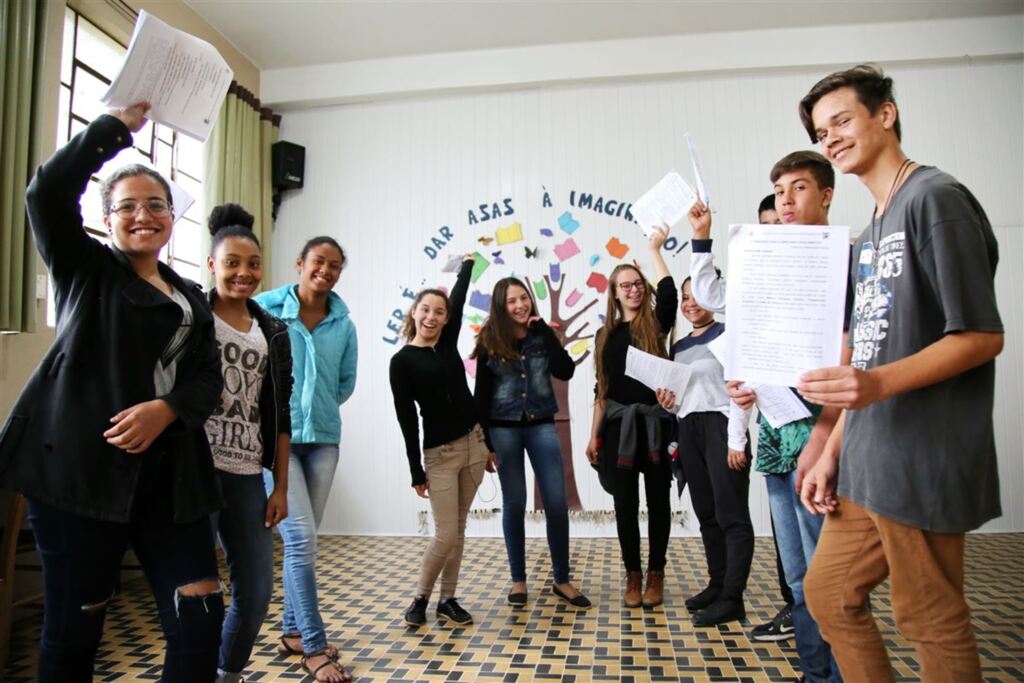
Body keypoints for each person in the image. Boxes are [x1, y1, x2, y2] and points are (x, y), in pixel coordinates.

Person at [0, 103, 224, 681]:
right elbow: (44, 195)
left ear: (173, 218)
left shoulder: (189, 296)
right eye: (127, 206)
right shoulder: (86, 270)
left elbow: (207, 380)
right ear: (107, 219)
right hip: (81, 479)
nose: (142, 215)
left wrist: (166, 410)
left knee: (199, 619)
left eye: (156, 205)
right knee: (76, 632)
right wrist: (113, 131)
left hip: (172, 483)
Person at [797, 64, 1003, 683]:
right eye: (820, 131)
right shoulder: (871, 231)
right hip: (867, 457)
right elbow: (865, 356)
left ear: (884, 113)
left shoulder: (934, 199)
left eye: (841, 120)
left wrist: (877, 387)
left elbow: (981, 336)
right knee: (828, 594)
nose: (830, 138)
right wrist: (832, 447)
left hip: (922, 452)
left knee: (929, 618)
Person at [688, 150, 846, 682]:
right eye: (779, 192)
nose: (785, 201)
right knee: (798, 576)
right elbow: (713, 297)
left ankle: (840, 673)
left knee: (830, 577)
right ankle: (815, 672)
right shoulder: (761, 269)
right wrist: (703, 237)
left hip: (823, 437)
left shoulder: (841, 261)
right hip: (777, 437)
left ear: (825, 194)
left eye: (797, 189)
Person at [254, 236, 358, 683]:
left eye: (335, 265)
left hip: (324, 442)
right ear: (300, 263)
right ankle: (314, 648)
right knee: (301, 541)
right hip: (275, 440)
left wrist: (318, 411)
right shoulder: (266, 308)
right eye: (319, 261)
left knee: (304, 540)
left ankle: (293, 632)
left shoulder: (343, 322)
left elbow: (345, 382)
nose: (326, 271)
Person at [204, 204, 294, 683]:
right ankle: (194, 666)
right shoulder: (193, 316)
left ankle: (227, 670)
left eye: (253, 264)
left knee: (257, 590)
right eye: (232, 263)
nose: (244, 273)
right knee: (199, 591)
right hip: (195, 472)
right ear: (212, 265)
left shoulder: (273, 333)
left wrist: (278, 487)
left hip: (245, 477)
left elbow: (280, 419)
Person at [472, 277, 591, 609]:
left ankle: (562, 580)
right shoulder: (489, 340)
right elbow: (480, 394)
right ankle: (519, 580)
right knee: (514, 504)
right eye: (511, 301)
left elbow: (565, 370)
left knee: (556, 502)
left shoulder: (542, 335)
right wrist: (484, 443)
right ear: (501, 305)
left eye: (523, 298)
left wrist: (547, 336)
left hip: (541, 424)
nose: (520, 305)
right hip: (503, 428)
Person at [389, 256, 495, 627]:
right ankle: (420, 599)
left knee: (459, 529)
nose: (432, 317)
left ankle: (448, 599)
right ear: (414, 314)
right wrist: (416, 470)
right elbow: (406, 420)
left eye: (439, 312)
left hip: (475, 445)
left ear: (445, 318)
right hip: (440, 455)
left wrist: (467, 266)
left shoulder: (448, 342)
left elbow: (461, 298)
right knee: (446, 532)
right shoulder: (402, 362)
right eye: (425, 311)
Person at [586, 227, 677, 608]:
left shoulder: (655, 324)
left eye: (638, 284)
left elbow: (669, 294)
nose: (634, 290)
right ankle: (633, 576)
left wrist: (655, 249)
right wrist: (593, 436)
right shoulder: (605, 334)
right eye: (626, 285)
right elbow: (601, 389)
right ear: (614, 292)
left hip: (654, 425)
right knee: (624, 505)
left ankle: (656, 573)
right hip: (618, 428)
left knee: (658, 502)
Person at [655, 277, 753, 626]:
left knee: (732, 515)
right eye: (684, 298)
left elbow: (741, 388)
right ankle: (717, 584)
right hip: (689, 429)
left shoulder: (729, 335)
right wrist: (668, 402)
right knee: (707, 514)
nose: (689, 303)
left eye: (695, 295)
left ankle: (732, 597)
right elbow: (683, 395)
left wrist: (735, 440)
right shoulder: (679, 345)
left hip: (722, 427)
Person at [752, 192, 795, 643]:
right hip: (773, 430)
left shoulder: (826, 277)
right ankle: (813, 659)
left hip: (816, 430)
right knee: (791, 553)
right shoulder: (759, 288)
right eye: (766, 226)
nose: (774, 233)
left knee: (822, 558)